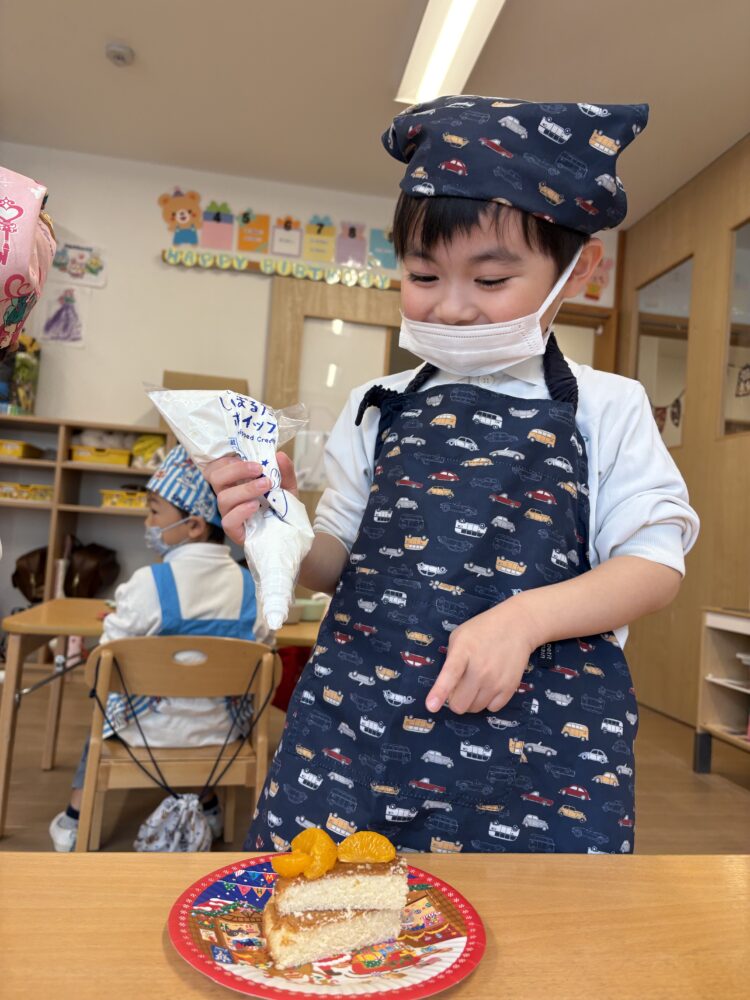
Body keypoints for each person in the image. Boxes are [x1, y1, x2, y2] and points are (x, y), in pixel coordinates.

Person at [206, 96, 699, 855]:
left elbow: (653, 566)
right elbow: (336, 560)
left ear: (578, 270)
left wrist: (524, 620)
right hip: (356, 731)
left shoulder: (610, 405)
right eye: (424, 274)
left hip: (539, 752)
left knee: (527, 925)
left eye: (492, 279)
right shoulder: (378, 403)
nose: (454, 308)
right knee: (321, 909)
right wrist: (276, 530)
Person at [49, 445, 257, 851]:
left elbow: (108, 659)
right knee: (202, 705)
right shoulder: (250, 586)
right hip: (222, 733)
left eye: (154, 512)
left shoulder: (149, 583)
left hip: (144, 732)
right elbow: (258, 655)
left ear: (194, 525)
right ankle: (209, 807)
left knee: (105, 708)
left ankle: (74, 820)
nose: (148, 522)